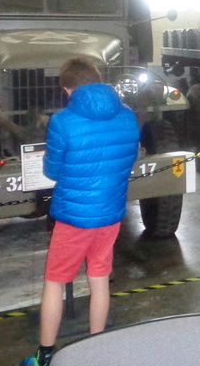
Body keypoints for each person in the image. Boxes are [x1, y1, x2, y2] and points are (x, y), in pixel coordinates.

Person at [21, 56, 140, 366]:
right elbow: (127, 161)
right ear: (97, 80)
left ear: (68, 89)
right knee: (99, 278)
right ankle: (96, 348)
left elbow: (53, 171)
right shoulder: (127, 116)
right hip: (111, 214)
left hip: (74, 219)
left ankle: (45, 355)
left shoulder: (62, 122)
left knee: (55, 281)